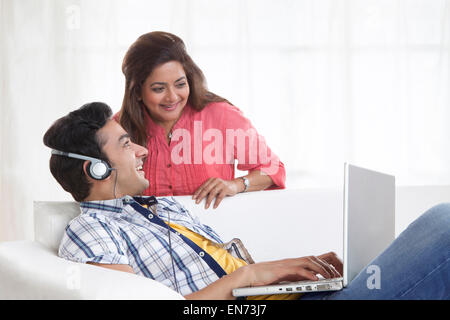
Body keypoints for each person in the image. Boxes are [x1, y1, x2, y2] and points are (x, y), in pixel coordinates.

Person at [43, 102, 449, 300]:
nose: (142, 151)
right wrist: (249, 277)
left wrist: (286, 275)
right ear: (95, 169)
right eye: (126, 144)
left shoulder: (161, 207)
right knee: (443, 226)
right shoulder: (90, 230)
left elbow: (235, 280)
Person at [116, 31, 286, 209]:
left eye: (180, 84)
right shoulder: (117, 129)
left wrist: (235, 185)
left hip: (212, 233)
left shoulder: (221, 115)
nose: (172, 97)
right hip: (145, 235)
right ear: (137, 92)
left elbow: (274, 169)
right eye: (159, 89)